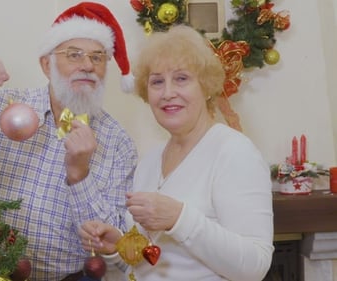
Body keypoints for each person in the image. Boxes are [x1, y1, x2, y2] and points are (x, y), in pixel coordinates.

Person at [79, 25, 274, 281]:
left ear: (205, 87)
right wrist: (117, 248)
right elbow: (153, 262)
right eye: (157, 82)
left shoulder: (234, 152)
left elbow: (255, 266)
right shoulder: (150, 162)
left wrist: (179, 218)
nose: (168, 93)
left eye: (181, 78)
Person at [0, 2, 138, 281]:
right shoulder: (2, 108)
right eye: (74, 55)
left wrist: (80, 175)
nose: (87, 66)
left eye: (98, 58)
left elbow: (112, 245)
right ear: (47, 65)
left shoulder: (119, 143)